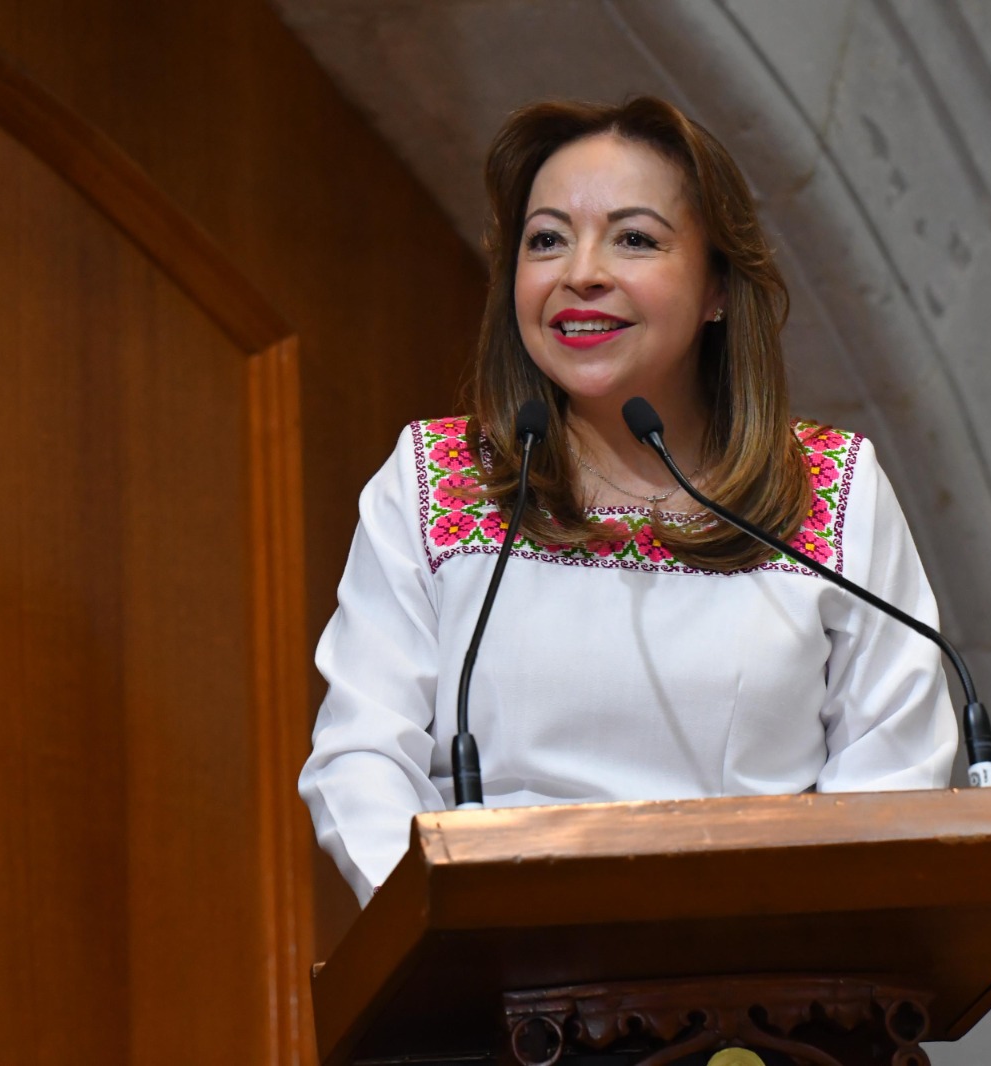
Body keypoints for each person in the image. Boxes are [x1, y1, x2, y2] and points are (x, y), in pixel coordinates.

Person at [299, 96, 957, 905]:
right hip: (499, 962)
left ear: (718, 285)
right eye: (547, 240)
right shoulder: (435, 476)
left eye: (635, 238)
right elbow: (361, 755)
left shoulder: (830, 486)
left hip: (761, 962)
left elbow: (894, 773)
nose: (580, 273)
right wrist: (450, 928)